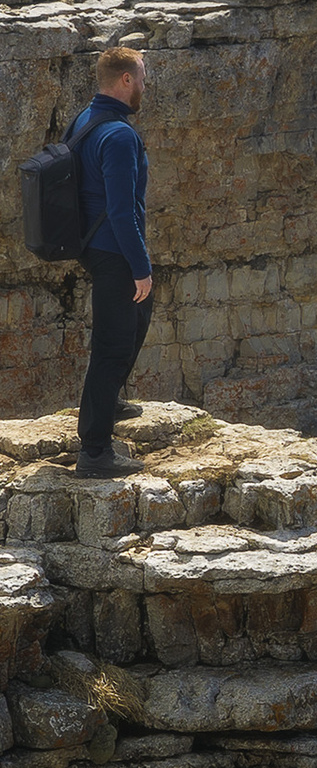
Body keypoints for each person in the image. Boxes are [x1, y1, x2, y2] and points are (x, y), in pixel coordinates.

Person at [74, 45, 154, 476]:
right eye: (141, 77)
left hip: (94, 245)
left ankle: (110, 402)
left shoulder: (85, 119)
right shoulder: (120, 136)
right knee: (112, 346)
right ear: (125, 80)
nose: (144, 84)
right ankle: (94, 453)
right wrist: (140, 268)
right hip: (114, 251)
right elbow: (123, 212)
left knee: (138, 316)